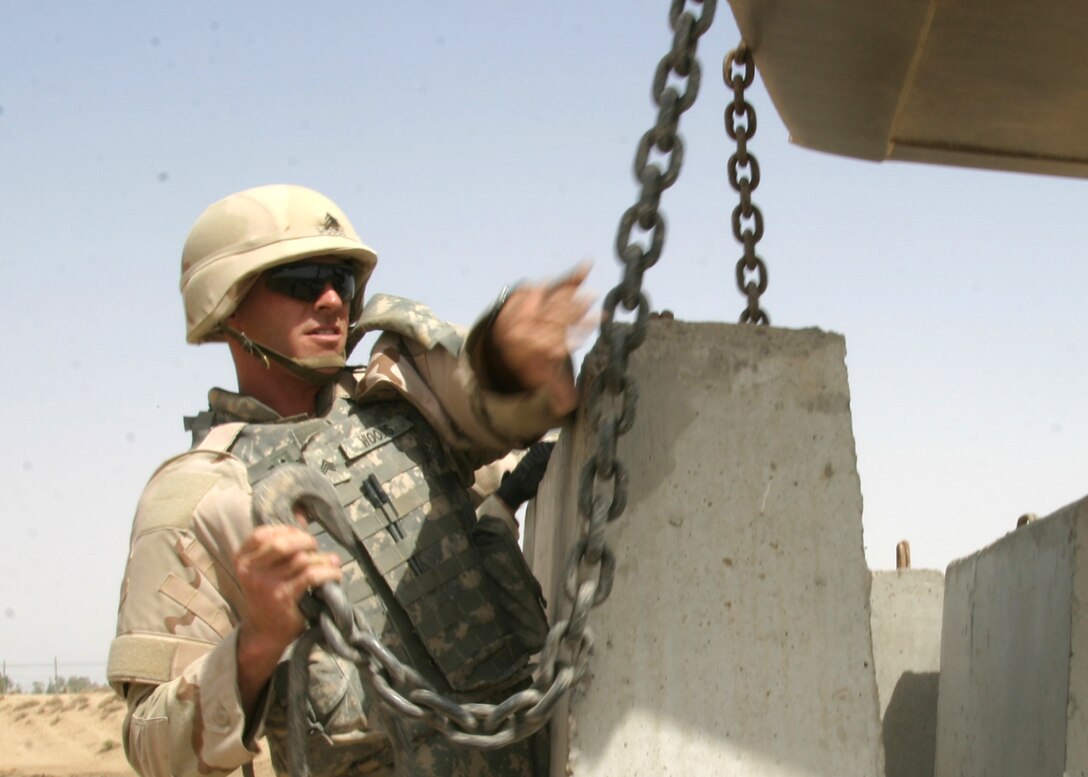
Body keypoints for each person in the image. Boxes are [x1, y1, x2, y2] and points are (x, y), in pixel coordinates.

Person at [107, 183, 589, 777]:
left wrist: (510, 355)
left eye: (343, 279)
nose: (333, 300)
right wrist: (256, 644)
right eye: (303, 281)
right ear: (227, 304)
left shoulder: (404, 396)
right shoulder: (200, 496)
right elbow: (152, 746)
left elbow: (488, 406)